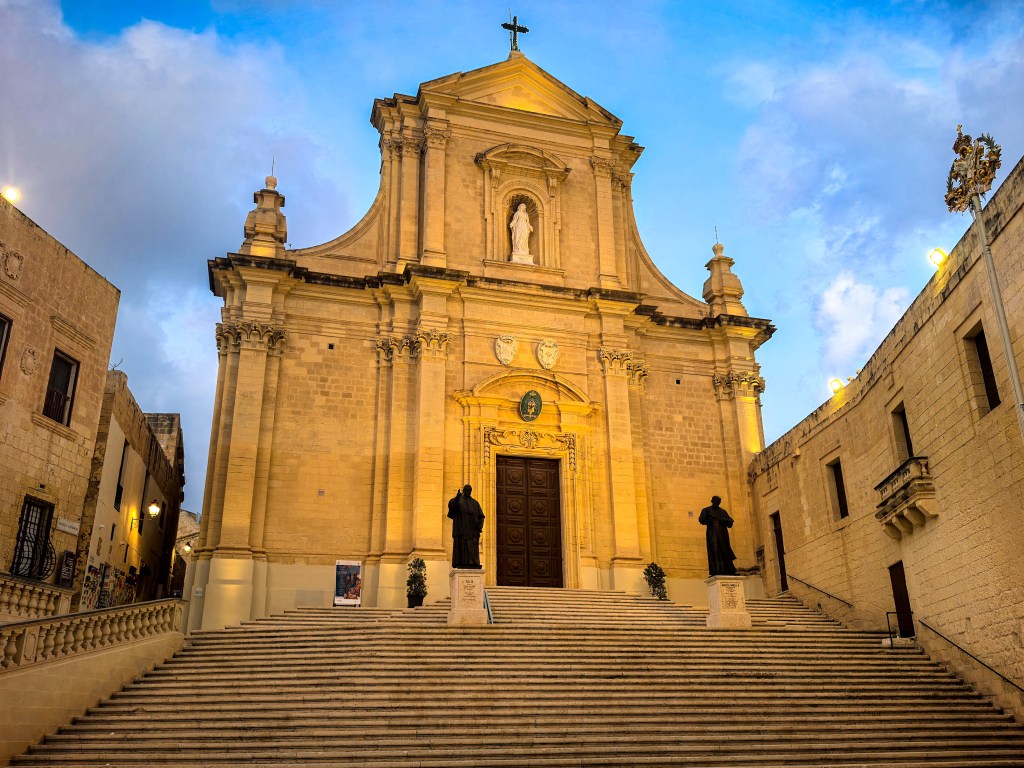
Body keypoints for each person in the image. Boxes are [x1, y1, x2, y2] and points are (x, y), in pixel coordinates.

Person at [699, 495, 737, 576]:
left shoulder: (723, 511)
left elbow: (730, 522)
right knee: (715, 551)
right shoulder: (707, 510)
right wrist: (708, 520)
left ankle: (729, 569)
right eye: (716, 502)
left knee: (725, 550)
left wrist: (725, 520)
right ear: (712, 501)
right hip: (712, 533)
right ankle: (716, 569)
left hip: (722, 533)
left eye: (719, 502)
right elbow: (701, 520)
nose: (717, 503)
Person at [448, 485, 485, 569]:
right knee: (462, 548)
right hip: (461, 529)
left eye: (470, 490)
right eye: (467, 490)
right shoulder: (458, 501)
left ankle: (473, 564)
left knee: (472, 548)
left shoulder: (475, 503)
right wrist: (457, 498)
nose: (468, 492)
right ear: (463, 491)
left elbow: (481, 516)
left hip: (472, 531)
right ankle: (461, 563)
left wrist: (480, 526)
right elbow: (452, 507)